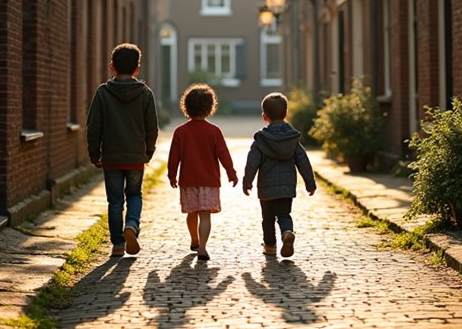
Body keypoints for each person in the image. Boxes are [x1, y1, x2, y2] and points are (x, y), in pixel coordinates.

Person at [86, 43, 159, 257]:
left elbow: (93, 127)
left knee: (115, 200)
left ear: (112, 66)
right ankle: (132, 225)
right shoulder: (145, 93)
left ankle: (118, 244)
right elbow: (152, 127)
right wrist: (148, 151)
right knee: (134, 195)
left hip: (112, 157)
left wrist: (94, 153)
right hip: (136, 156)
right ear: (137, 68)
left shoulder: (102, 93)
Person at [167, 84, 238, 261]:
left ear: (186, 107)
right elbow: (224, 154)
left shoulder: (180, 132)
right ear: (209, 108)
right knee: (205, 215)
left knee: (192, 213)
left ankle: (194, 239)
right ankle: (203, 248)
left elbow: (173, 156)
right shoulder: (214, 131)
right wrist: (231, 173)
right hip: (209, 180)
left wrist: (172, 174)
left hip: (188, 179)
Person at [242, 92, 316, 258]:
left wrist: (247, 182)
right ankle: (287, 232)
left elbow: (252, 162)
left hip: (267, 187)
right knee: (284, 214)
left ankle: (269, 246)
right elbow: (303, 161)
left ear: (264, 117)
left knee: (267, 218)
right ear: (286, 114)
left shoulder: (261, 140)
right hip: (287, 186)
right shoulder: (292, 139)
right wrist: (310, 182)